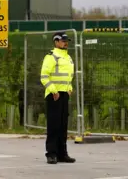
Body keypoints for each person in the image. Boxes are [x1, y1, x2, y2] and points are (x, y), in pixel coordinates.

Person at [40, 32, 76, 165]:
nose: (66, 43)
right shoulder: (51, 57)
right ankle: (51, 153)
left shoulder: (68, 58)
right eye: (63, 41)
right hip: (54, 94)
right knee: (54, 125)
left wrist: (69, 87)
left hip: (64, 94)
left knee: (63, 125)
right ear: (56, 42)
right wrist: (53, 91)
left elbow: (68, 76)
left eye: (67, 41)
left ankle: (62, 153)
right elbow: (44, 76)